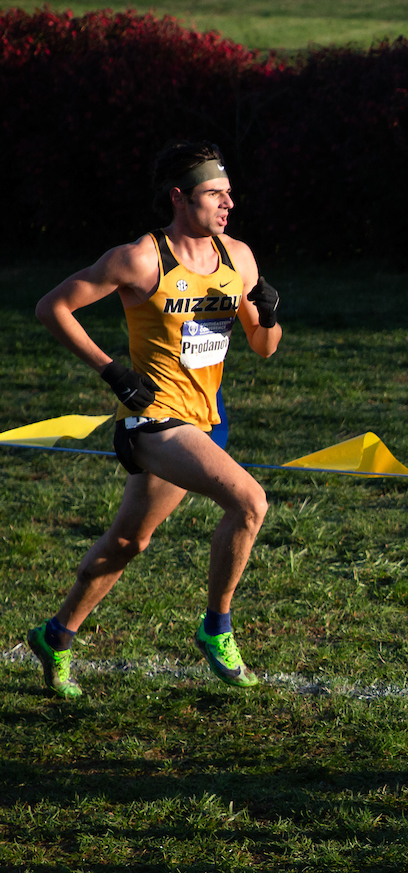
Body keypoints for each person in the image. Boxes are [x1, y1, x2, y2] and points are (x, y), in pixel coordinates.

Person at [26, 139, 283, 698]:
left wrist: (267, 313)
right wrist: (113, 373)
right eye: (214, 194)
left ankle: (55, 635)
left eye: (229, 193)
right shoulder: (141, 259)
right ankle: (217, 627)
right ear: (178, 198)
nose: (228, 203)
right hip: (152, 421)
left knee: (128, 543)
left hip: (205, 421)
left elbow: (264, 347)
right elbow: (52, 307)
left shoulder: (238, 258)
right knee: (250, 502)